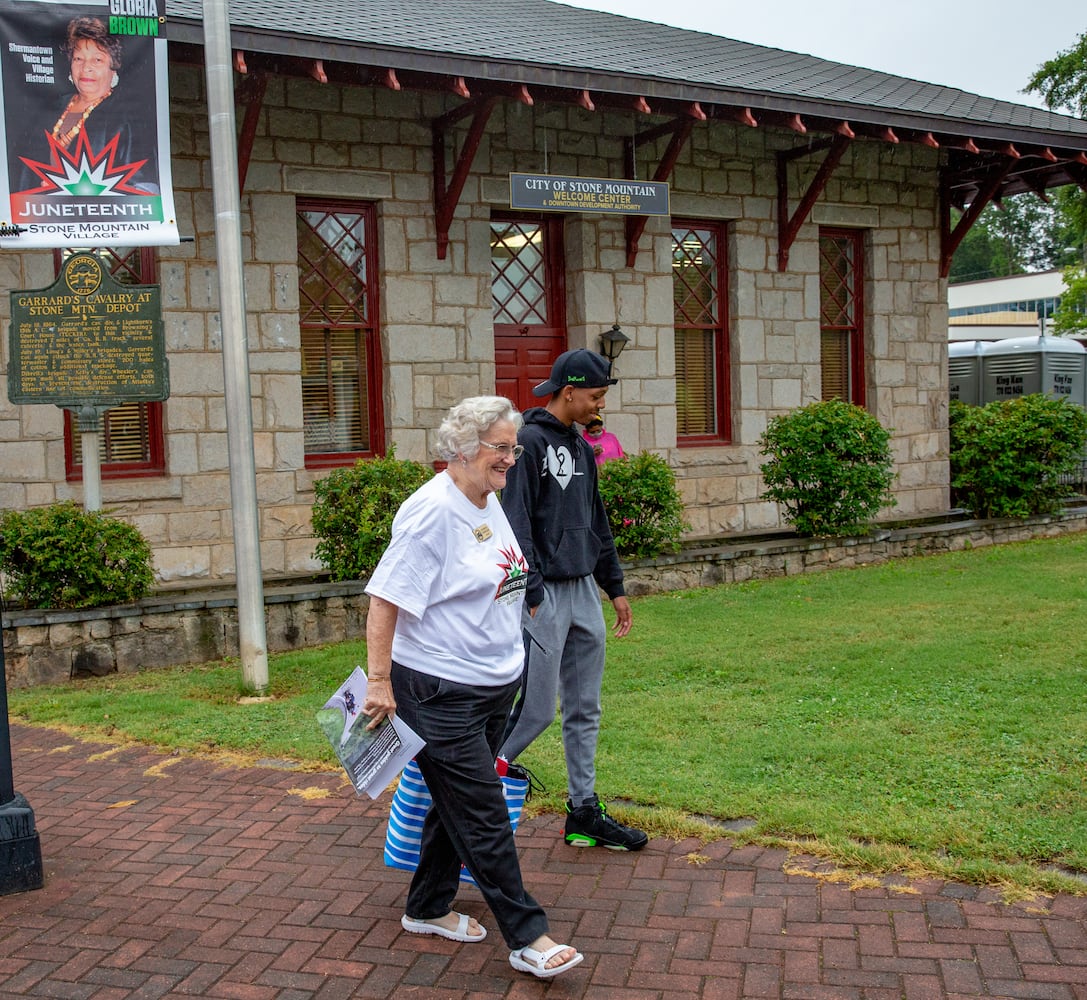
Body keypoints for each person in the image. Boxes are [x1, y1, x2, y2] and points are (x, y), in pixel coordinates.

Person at [362, 396, 584, 981]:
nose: (513, 459)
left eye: (514, 448)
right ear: (463, 449)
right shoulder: (430, 513)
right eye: (502, 449)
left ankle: (428, 907)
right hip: (439, 692)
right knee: (484, 813)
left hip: (489, 688)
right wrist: (380, 682)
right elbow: (384, 598)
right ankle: (529, 937)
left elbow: (498, 572)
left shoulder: (485, 498)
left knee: (453, 801)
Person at [498, 349, 648, 852]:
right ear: (569, 392)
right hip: (543, 595)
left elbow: (597, 521)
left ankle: (583, 811)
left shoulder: (584, 449)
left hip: (584, 589)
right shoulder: (528, 443)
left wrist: (616, 588)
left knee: (585, 707)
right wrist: (533, 589)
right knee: (537, 711)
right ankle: (466, 786)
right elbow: (515, 520)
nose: (599, 405)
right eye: (595, 396)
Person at [14, 17, 158, 194]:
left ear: (113, 68)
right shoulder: (50, 110)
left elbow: (146, 189)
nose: (86, 68)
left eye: (97, 60)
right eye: (78, 59)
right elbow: (21, 174)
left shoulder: (129, 117)